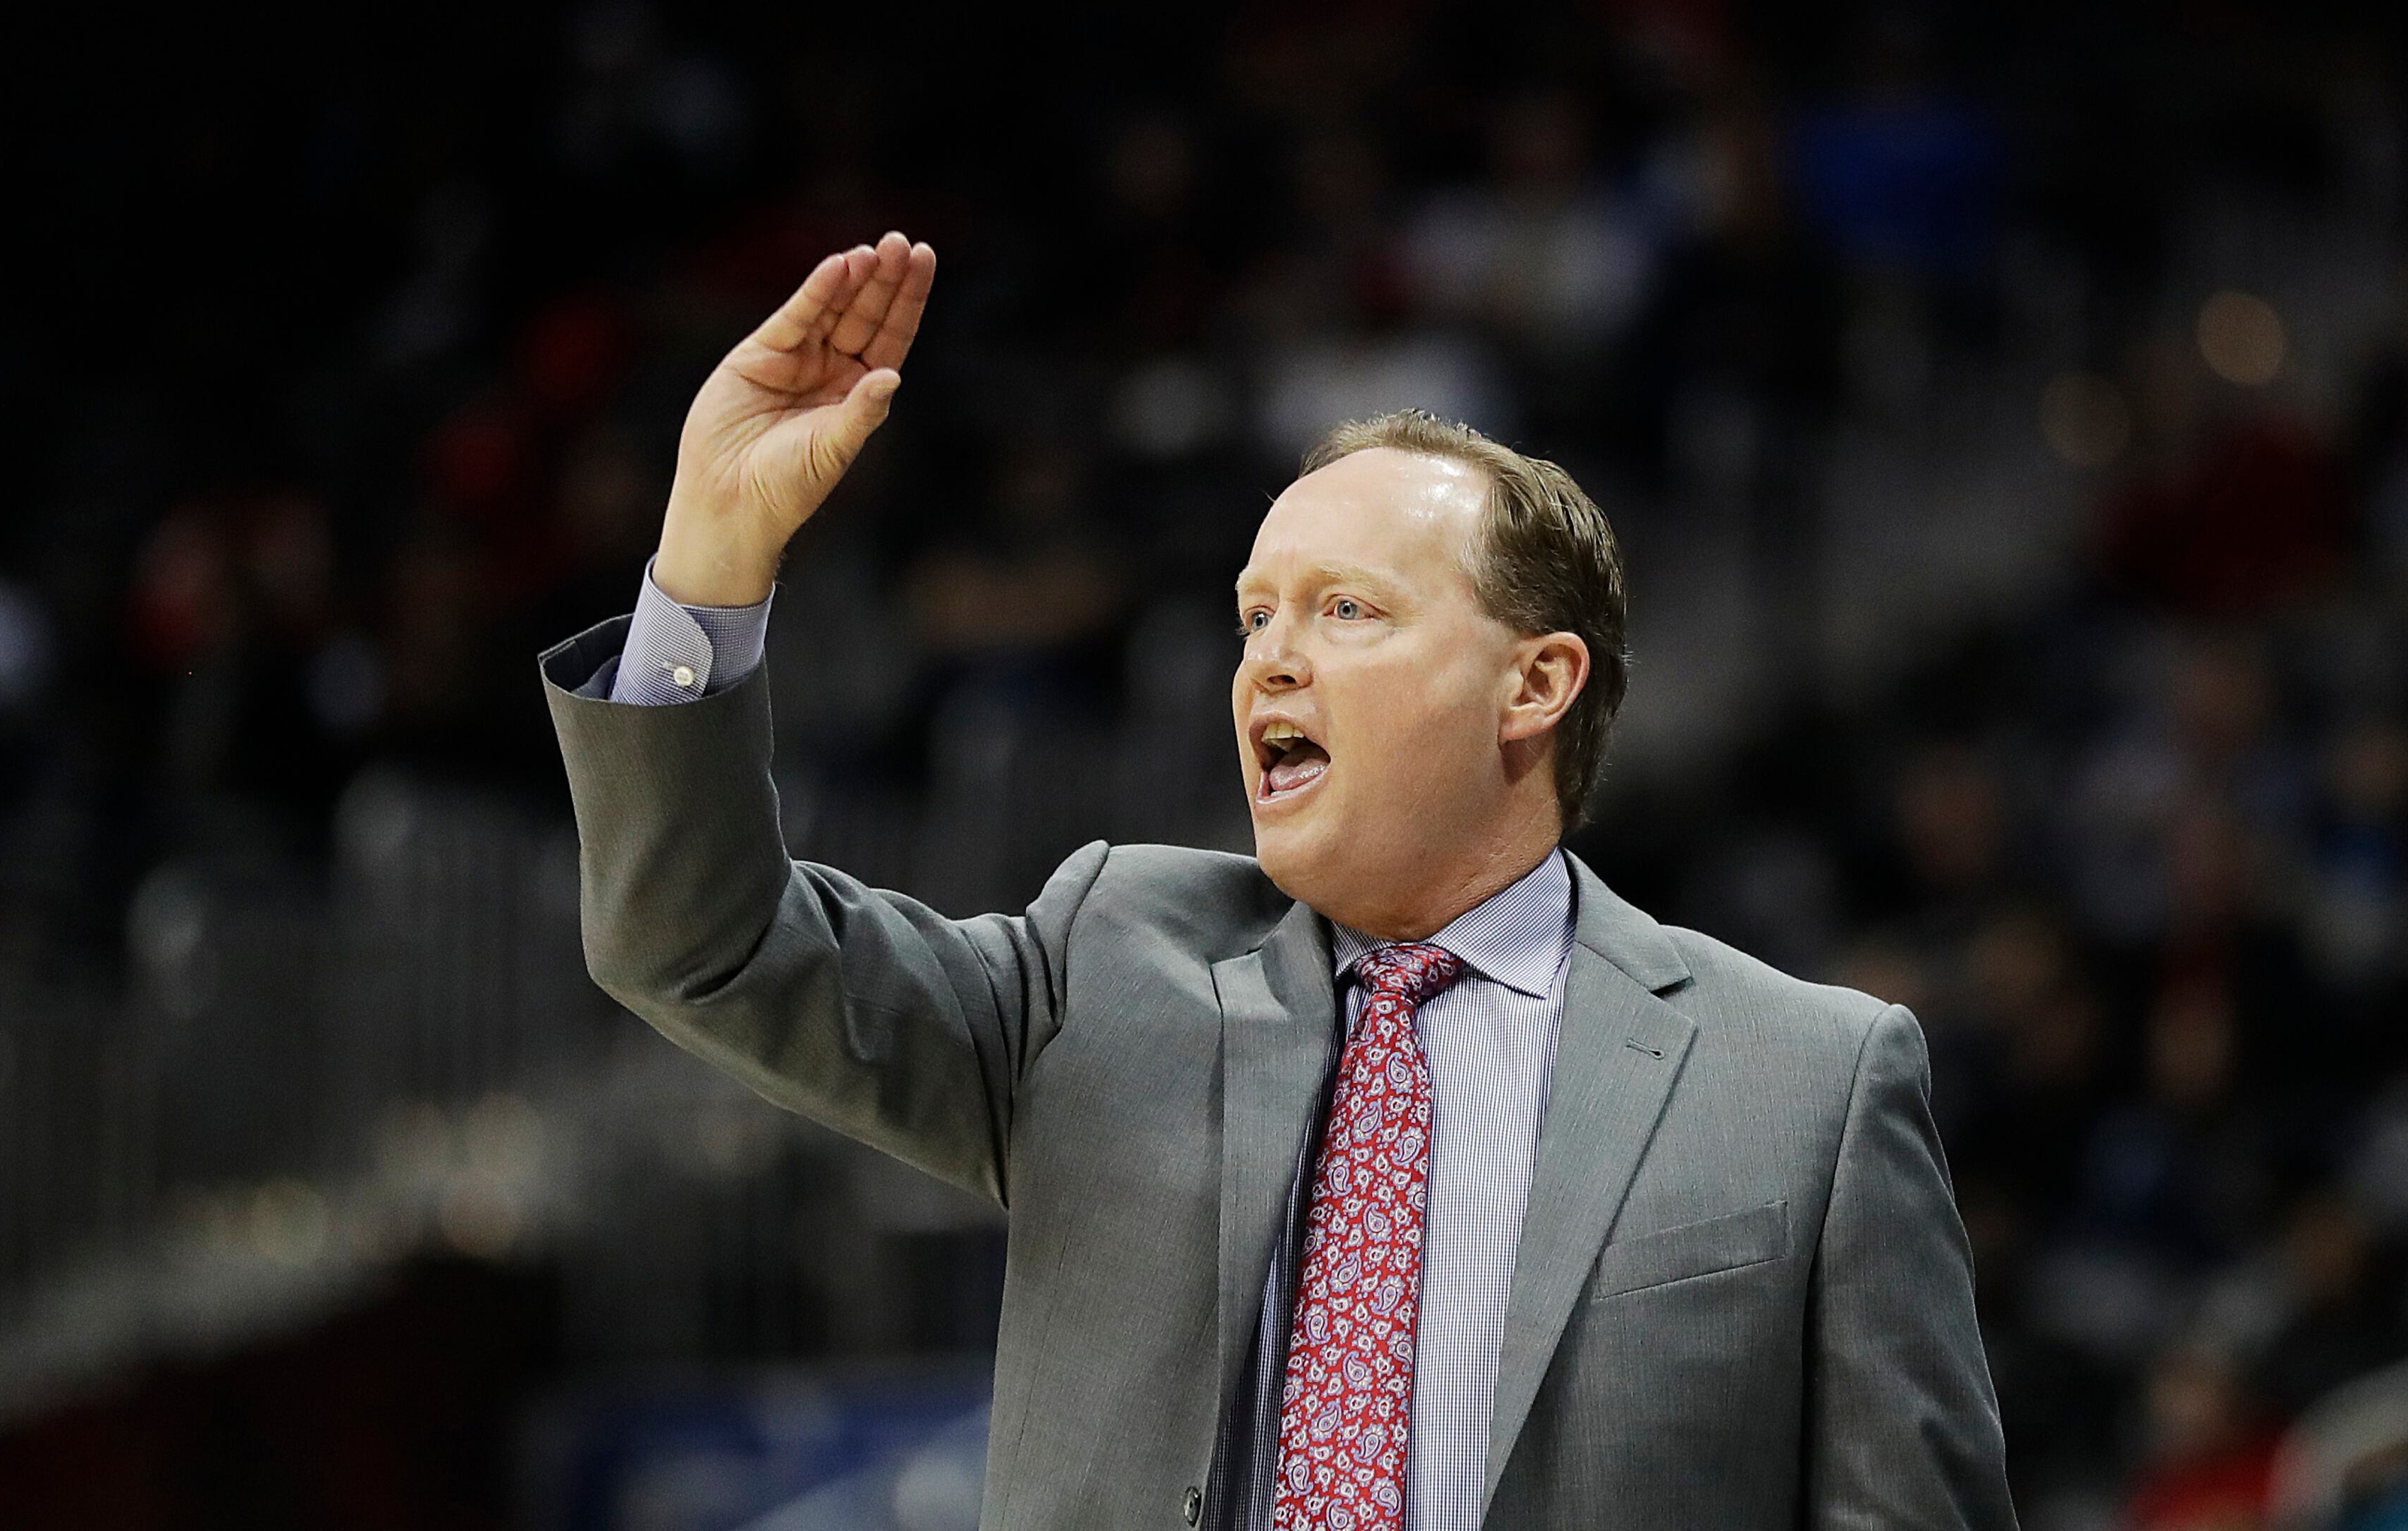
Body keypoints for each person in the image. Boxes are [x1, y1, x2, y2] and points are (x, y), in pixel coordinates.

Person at [539, 232, 2018, 1531]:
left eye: (1346, 608)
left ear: (1537, 681)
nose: (1270, 660)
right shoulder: (1103, 966)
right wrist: (711, 563)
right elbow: (703, 940)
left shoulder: (1803, 1087)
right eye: (1254, 616)